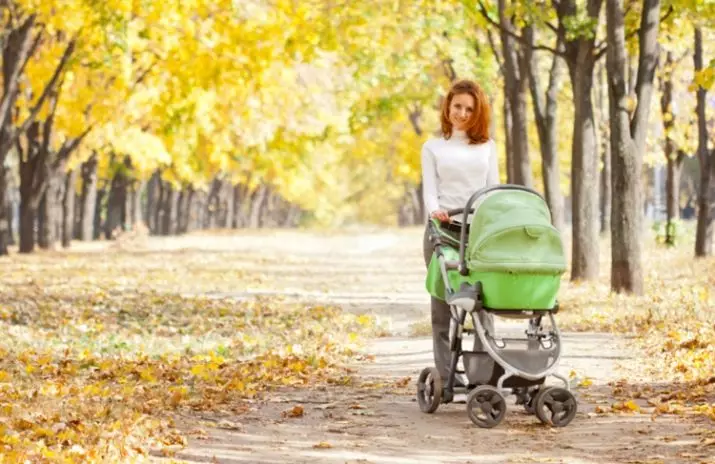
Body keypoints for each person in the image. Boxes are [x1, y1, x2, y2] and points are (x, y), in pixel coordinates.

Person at [420, 79, 500, 386]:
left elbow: (492, 188)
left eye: (469, 108)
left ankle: (483, 377)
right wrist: (435, 211)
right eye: (457, 106)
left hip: (477, 232)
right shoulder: (433, 147)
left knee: (484, 303)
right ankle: (446, 375)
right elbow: (430, 192)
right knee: (443, 305)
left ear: (477, 112)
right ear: (448, 107)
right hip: (443, 230)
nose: (462, 113)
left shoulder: (487, 147)